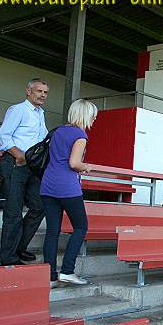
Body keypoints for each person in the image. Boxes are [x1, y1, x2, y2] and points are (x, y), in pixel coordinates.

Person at [40, 99, 97, 286]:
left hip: (48, 185)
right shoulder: (80, 135)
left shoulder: (58, 131)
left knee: (52, 231)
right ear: (85, 115)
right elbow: (73, 163)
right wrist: (86, 166)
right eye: (93, 115)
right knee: (81, 227)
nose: (94, 119)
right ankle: (67, 271)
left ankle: (49, 276)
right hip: (67, 187)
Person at [0, 78, 48, 266]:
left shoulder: (41, 113)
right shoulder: (18, 110)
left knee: (39, 206)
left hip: (32, 166)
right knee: (13, 212)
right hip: (14, 163)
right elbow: (3, 136)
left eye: (45, 92)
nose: (42, 95)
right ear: (28, 91)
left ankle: (18, 247)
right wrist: (18, 154)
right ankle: (8, 257)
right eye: (39, 91)